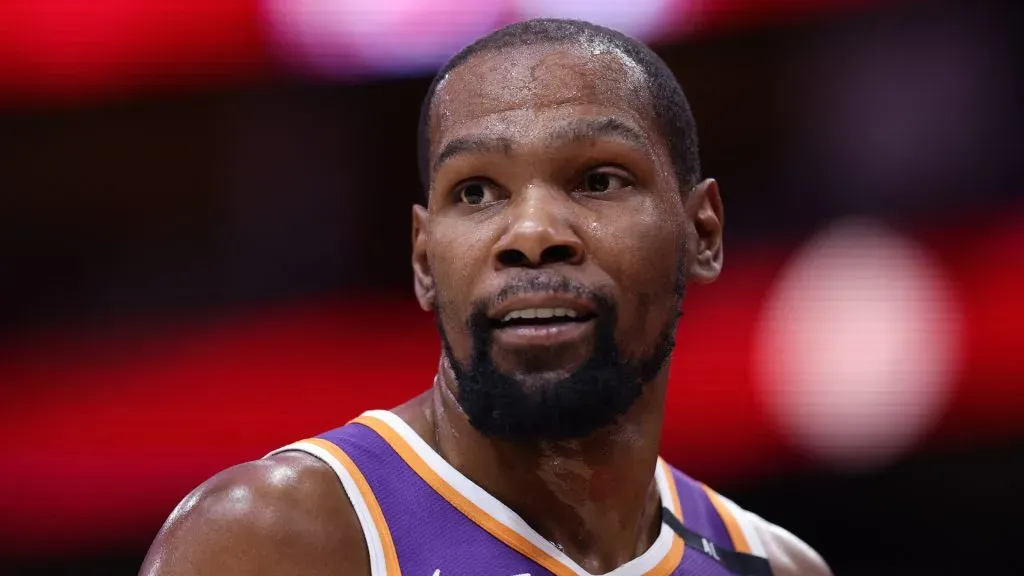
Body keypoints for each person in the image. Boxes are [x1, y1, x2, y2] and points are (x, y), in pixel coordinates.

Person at [140, 18, 832, 576]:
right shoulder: (269, 542)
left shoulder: (774, 565)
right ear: (423, 261)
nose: (531, 234)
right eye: (476, 192)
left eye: (597, 180)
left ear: (703, 233)